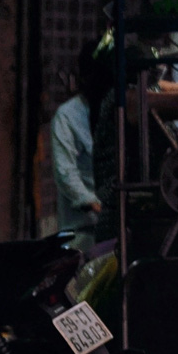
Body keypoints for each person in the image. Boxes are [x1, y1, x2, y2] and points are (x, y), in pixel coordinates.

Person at [50, 46, 114, 250]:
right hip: (82, 231)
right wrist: (97, 206)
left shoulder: (116, 112)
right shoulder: (67, 115)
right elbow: (65, 173)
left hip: (116, 228)